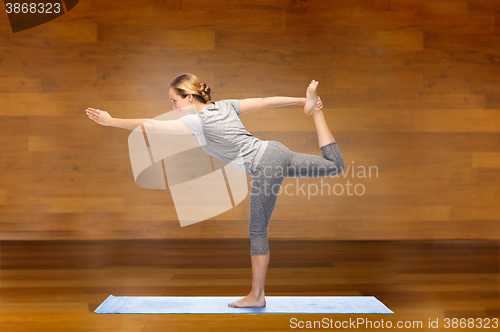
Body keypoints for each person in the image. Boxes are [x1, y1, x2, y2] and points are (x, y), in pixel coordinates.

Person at [85, 73, 345, 308]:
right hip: (276, 151)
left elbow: (151, 127)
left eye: (174, 101)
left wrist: (111, 121)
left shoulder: (199, 121)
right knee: (334, 166)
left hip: (265, 164)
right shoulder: (224, 105)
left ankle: (257, 295)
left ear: (189, 97)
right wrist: (304, 101)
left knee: (256, 231)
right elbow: (267, 101)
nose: (172, 108)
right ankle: (318, 114)